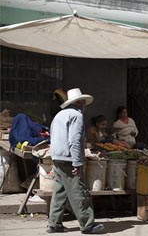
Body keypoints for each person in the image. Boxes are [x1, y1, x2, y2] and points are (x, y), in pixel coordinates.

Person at [47, 88, 104, 234]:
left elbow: (53, 138)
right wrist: (77, 162)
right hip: (68, 159)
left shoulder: (59, 115)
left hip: (57, 157)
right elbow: (75, 140)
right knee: (79, 191)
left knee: (60, 192)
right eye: (84, 102)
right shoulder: (76, 116)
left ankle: (54, 224)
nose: (85, 105)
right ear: (80, 103)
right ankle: (87, 225)